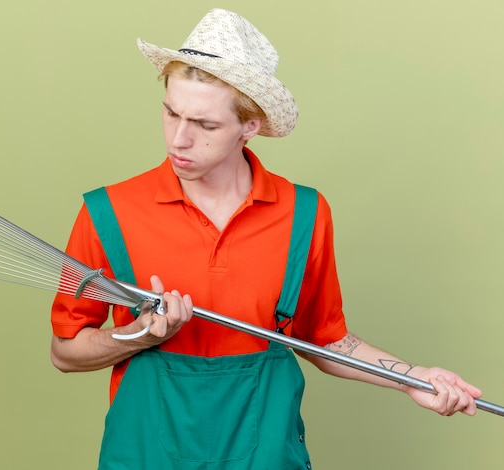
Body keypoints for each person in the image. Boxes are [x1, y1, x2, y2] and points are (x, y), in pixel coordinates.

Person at [50, 8, 482, 469]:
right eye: (170, 112)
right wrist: (138, 335)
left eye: (205, 124)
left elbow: (325, 339)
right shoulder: (107, 212)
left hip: (267, 456)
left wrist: (414, 378)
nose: (178, 138)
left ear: (250, 126)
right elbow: (65, 353)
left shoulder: (304, 215)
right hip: (142, 456)